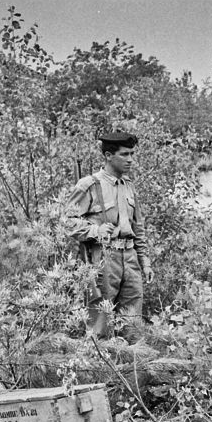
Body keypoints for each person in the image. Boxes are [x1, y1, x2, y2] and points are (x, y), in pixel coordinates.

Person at [64, 131, 153, 342]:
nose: (130, 159)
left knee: (132, 323)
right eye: (124, 154)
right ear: (108, 155)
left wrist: (145, 261)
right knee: (99, 322)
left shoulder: (128, 185)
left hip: (130, 260)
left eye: (132, 154)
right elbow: (67, 221)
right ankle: (98, 367)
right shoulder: (89, 185)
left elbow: (138, 228)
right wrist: (94, 231)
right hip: (103, 258)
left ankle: (129, 368)